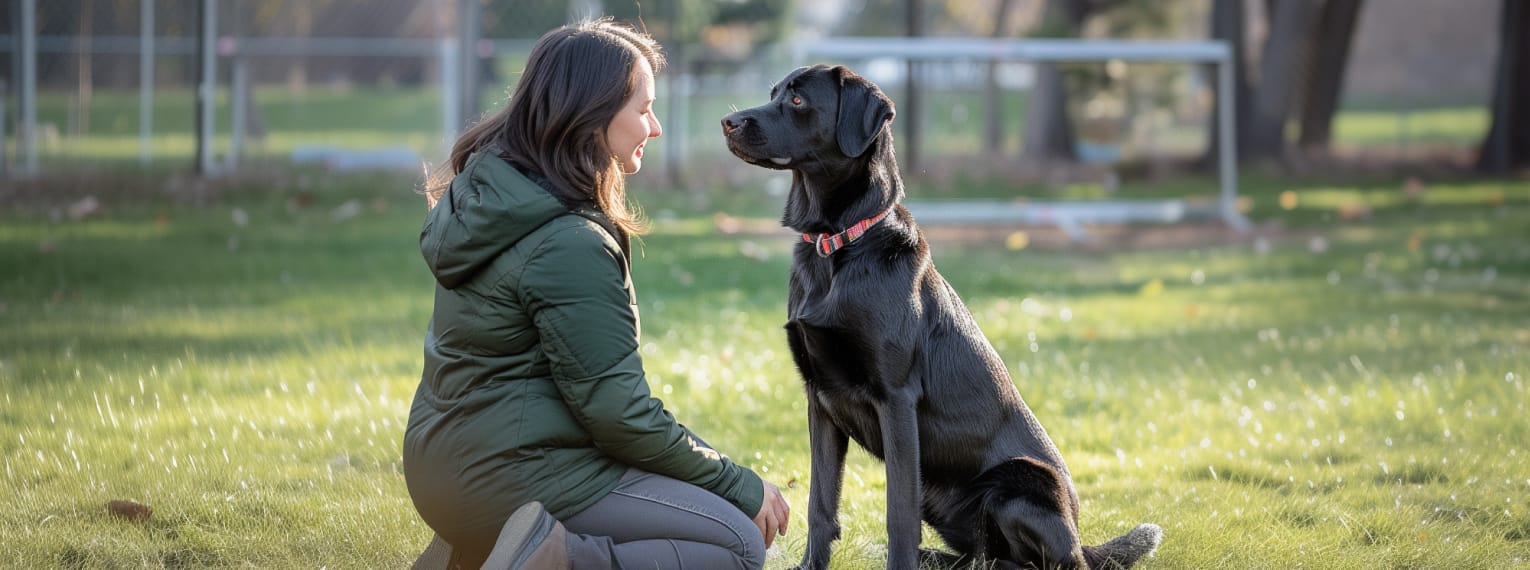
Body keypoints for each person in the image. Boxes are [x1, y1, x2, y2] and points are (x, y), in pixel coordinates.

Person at [403, 18, 790, 570]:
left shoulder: (494, 192)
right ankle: (545, 557)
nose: (653, 127)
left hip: (446, 464)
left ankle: (475, 552)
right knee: (736, 543)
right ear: (590, 116)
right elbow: (620, 415)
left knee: (713, 517)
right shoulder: (569, 243)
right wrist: (742, 485)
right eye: (642, 108)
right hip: (507, 475)